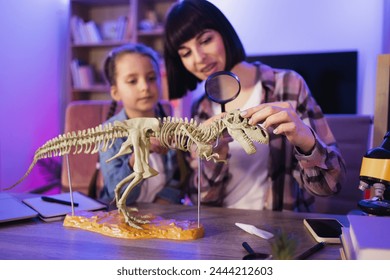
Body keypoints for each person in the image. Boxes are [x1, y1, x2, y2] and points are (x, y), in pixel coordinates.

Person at [163, 0, 346, 211]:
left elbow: (331, 185)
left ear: (224, 33)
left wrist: (307, 142)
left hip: (281, 235)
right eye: (186, 53)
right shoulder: (200, 110)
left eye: (205, 40)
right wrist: (215, 157)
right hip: (221, 232)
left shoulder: (288, 85)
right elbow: (201, 202)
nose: (199, 58)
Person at [99, 43, 190, 206]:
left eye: (151, 78)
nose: (144, 87)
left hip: (163, 217)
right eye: (132, 81)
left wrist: (164, 201)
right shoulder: (108, 133)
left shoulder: (171, 126)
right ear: (115, 92)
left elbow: (179, 176)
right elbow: (117, 193)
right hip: (121, 218)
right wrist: (139, 154)